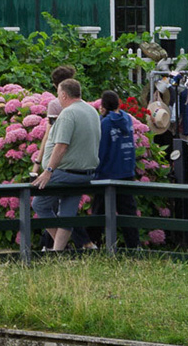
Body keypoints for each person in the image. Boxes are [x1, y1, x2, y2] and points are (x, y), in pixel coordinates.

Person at [34, 78, 101, 252]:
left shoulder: (68, 113)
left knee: (39, 205)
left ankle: (61, 248)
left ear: (63, 95)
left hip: (65, 173)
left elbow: (62, 145)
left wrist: (48, 170)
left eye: (58, 95)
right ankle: (58, 253)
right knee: (67, 215)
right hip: (84, 174)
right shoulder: (91, 111)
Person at [92, 88, 140, 249]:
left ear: (103, 106)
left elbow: (101, 150)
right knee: (128, 211)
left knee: (99, 211)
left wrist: (95, 169)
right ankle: (134, 246)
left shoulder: (105, 123)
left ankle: (95, 244)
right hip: (126, 171)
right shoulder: (127, 119)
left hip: (106, 173)